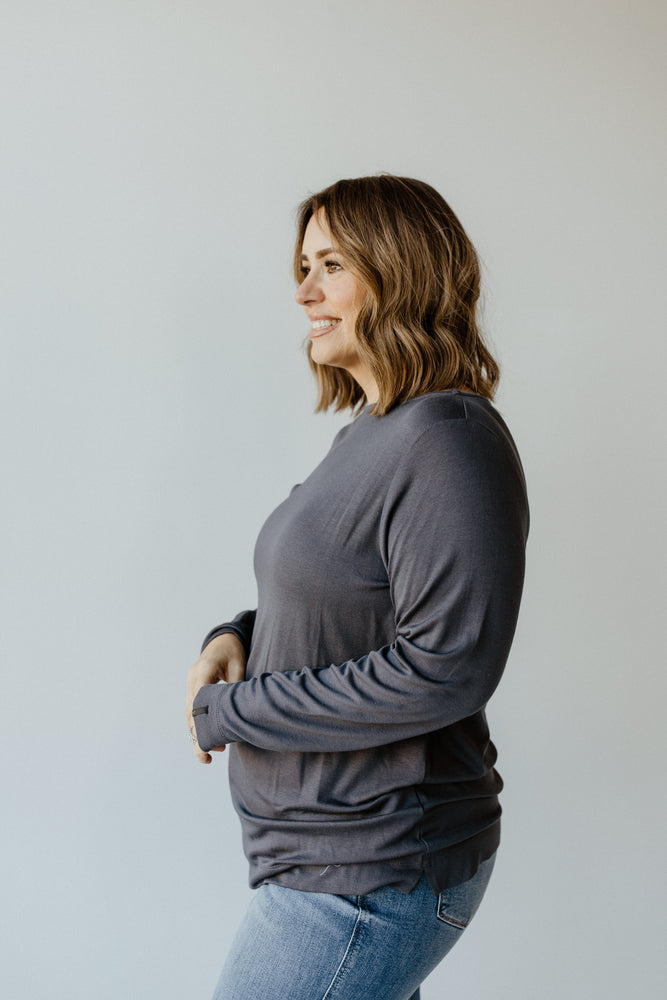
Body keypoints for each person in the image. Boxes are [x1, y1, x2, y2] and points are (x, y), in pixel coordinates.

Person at [185, 174, 529, 1000]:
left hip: (369, 876)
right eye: (303, 264)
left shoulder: (446, 438)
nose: (302, 290)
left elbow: (444, 667)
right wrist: (235, 634)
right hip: (326, 863)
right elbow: (343, 600)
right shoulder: (372, 433)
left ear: (399, 270)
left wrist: (232, 711)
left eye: (329, 264)